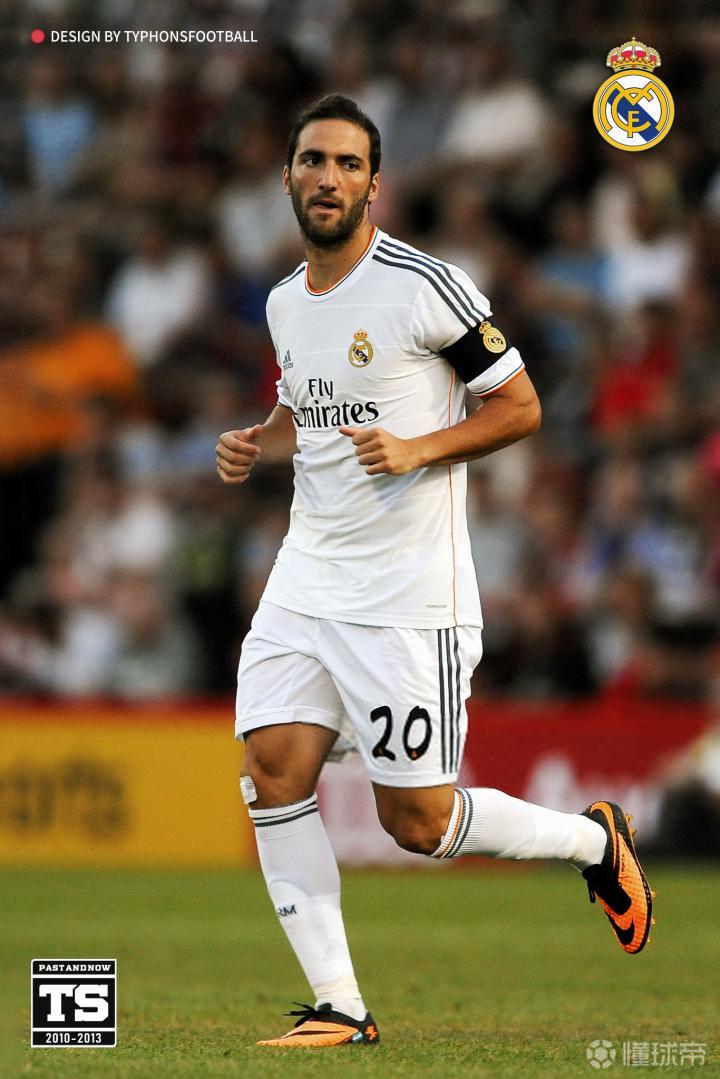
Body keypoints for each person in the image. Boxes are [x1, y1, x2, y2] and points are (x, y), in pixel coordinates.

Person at [216, 94, 654, 1049]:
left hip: (407, 592)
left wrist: (419, 449)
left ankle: (595, 841)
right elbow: (308, 406)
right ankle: (340, 1006)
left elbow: (521, 405)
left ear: (374, 185)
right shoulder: (286, 300)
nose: (328, 178)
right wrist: (260, 438)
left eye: (347, 164)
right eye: (312, 160)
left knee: (415, 821)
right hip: (306, 574)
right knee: (271, 770)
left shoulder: (426, 285)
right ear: (287, 177)